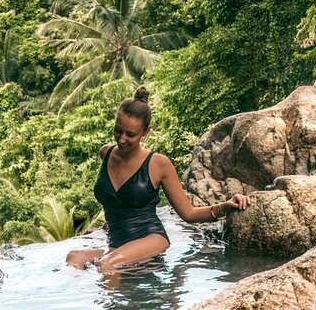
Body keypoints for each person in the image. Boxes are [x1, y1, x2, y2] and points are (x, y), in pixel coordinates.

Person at [66, 86, 251, 271]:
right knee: (74, 257)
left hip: (150, 238)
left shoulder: (159, 164)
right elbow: (118, 203)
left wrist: (225, 206)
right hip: (117, 243)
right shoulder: (106, 153)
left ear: (146, 132)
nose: (122, 139)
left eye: (130, 134)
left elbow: (189, 214)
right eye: (118, 131)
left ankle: (113, 300)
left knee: (106, 264)